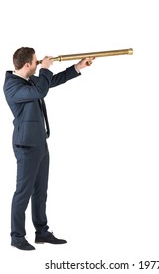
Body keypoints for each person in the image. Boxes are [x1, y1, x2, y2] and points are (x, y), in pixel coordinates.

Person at [3, 47, 94, 251]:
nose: (38, 64)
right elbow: (40, 90)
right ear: (28, 65)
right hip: (26, 146)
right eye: (35, 62)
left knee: (40, 191)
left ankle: (41, 232)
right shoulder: (12, 86)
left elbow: (53, 81)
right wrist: (44, 68)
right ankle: (17, 237)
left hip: (40, 143)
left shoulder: (31, 80)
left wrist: (79, 66)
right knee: (22, 193)